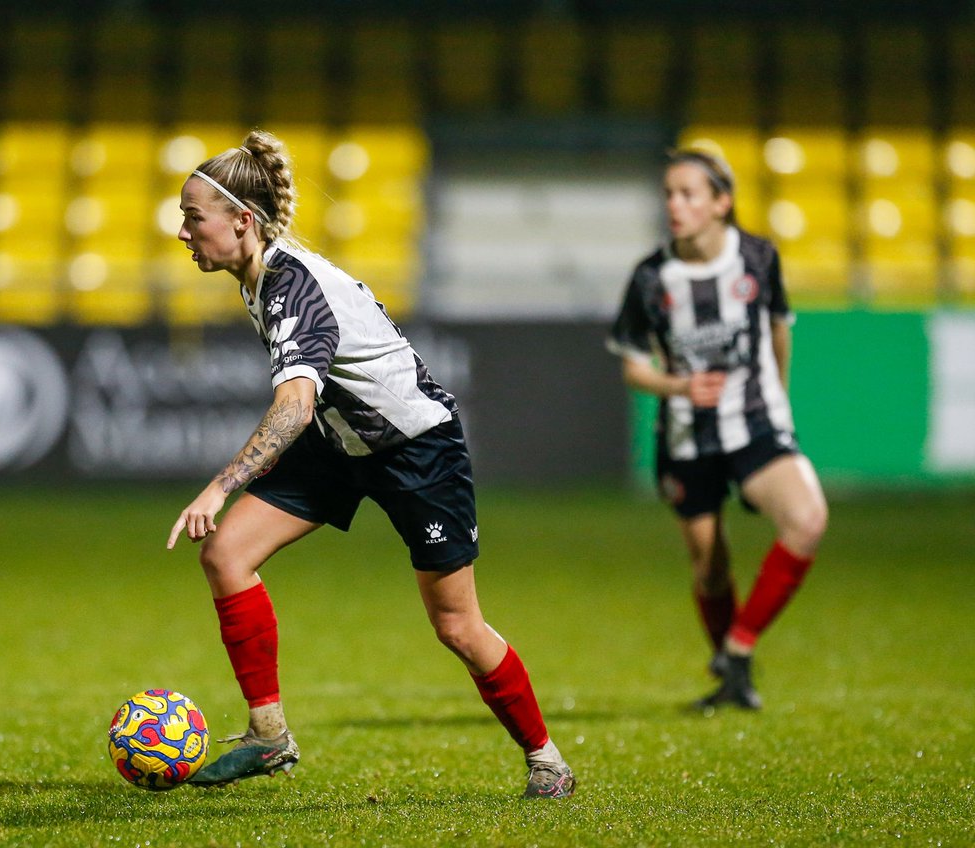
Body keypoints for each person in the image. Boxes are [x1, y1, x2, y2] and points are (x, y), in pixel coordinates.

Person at [165, 129, 574, 798]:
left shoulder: (287, 284)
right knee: (227, 555)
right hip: (340, 443)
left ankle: (547, 759)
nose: (183, 232)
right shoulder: (262, 272)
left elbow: (294, 406)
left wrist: (218, 486)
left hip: (416, 450)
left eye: (192, 217)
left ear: (242, 220)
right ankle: (268, 737)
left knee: (456, 625)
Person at [607, 148, 828, 711]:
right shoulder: (651, 277)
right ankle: (734, 681)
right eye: (668, 194)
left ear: (721, 202)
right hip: (687, 438)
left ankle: (738, 647)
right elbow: (633, 366)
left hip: (755, 423)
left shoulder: (758, 258)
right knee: (711, 566)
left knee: (807, 520)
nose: (674, 205)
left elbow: (779, 329)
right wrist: (680, 387)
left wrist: (777, 394)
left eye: (688, 194)